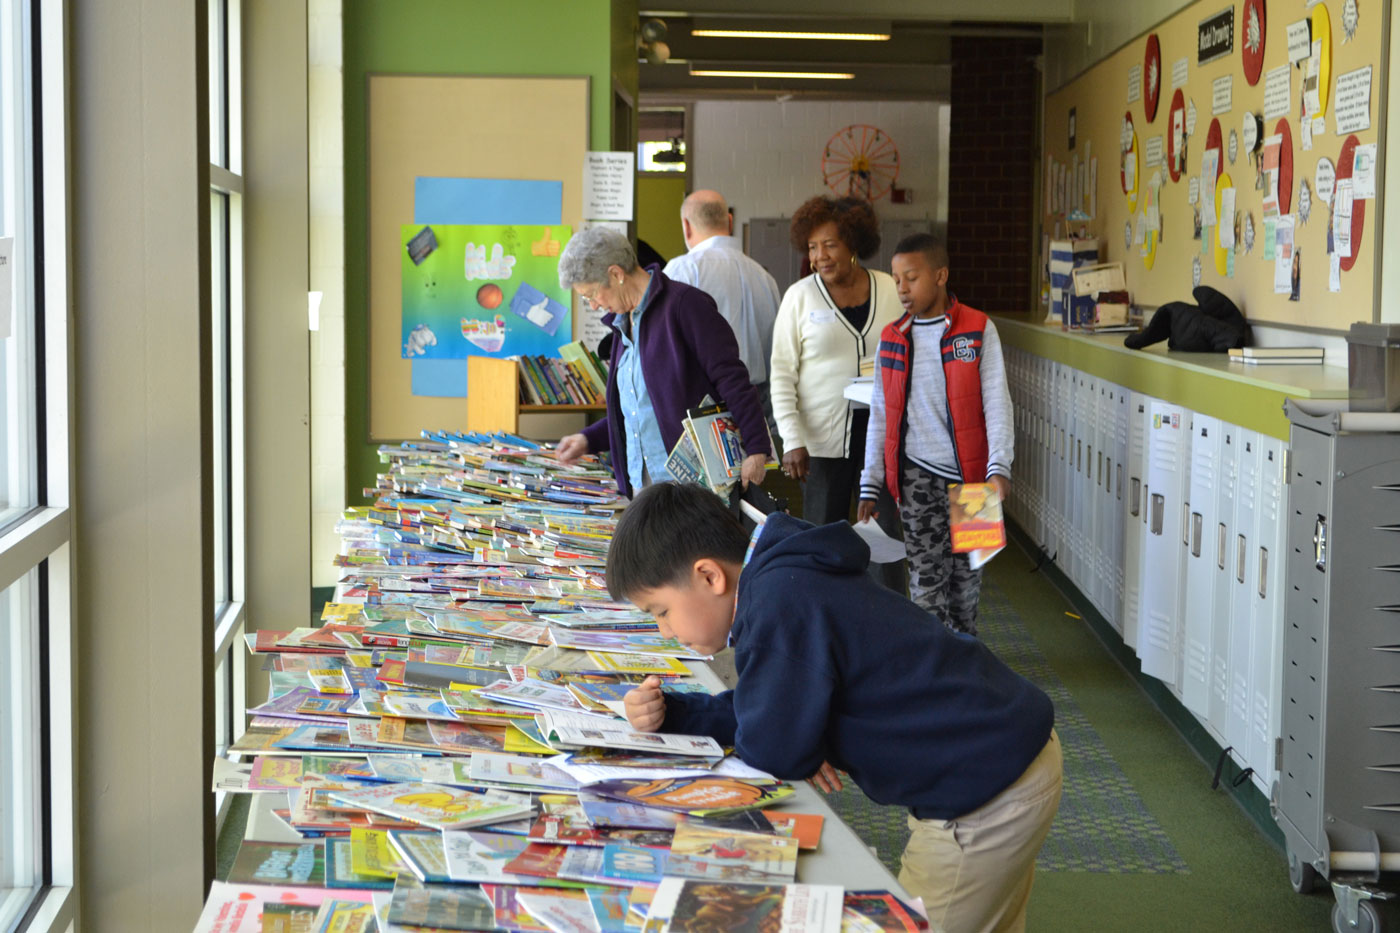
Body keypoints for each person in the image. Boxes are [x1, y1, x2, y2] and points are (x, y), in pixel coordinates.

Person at [610, 482, 1061, 933]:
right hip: (1004, 752)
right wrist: (677, 714)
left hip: (982, 792)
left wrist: (803, 736)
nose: (665, 631)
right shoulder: (782, 576)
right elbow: (773, 705)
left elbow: (773, 747)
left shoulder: (777, 604)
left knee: (919, 924)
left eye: (661, 611)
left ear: (709, 576)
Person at [857, 235, 1013, 636]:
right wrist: (870, 484)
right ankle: (936, 677)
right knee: (927, 588)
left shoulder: (978, 330)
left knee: (966, 591)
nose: (902, 288)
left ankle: (965, 672)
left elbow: (997, 403)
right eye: (896, 280)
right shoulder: (893, 338)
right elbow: (880, 416)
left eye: (911, 277)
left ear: (941, 275)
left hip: (975, 481)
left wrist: (1000, 468)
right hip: (916, 480)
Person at [553, 226, 770, 498]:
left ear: (616, 274)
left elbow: (732, 379)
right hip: (642, 487)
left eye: (591, 294)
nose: (593, 305)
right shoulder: (622, 325)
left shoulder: (685, 305)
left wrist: (757, 448)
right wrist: (588, 439)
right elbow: (636, 413)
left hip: (692, 489)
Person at [768, 196, 904, 590]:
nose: (819, 256)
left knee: (885, 540)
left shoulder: (890, 290)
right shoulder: (800, 297)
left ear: (853, 243)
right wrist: (791, 440)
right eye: (812, 247)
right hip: (821, 444)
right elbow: (781, 374)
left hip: (881, 438)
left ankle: (889, 624)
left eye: (829, 245)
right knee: (823, 540)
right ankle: (824, 619)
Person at [663, 190, 782, 449]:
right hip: (758, 405)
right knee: (750, 486)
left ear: (686, 225)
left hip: (704, 407)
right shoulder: (764, 277)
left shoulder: (681, 270)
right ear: (729, 221)